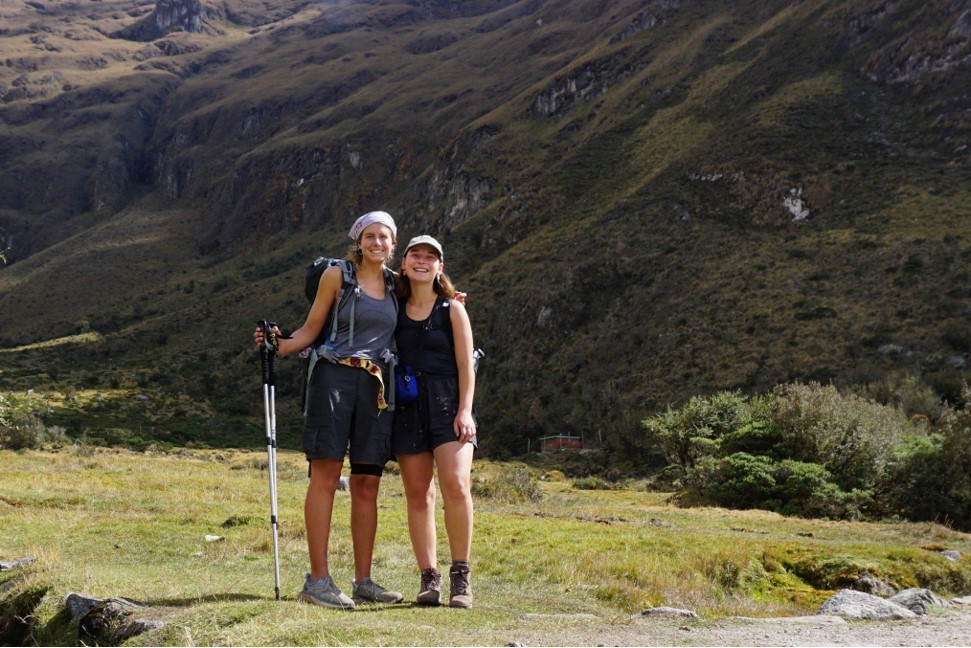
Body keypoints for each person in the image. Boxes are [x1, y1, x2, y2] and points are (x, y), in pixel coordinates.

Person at [254, 210, 404, 610]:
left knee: (368, 482)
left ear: (393, 244)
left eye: (384, 237)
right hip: (333, 381)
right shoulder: (337, 275)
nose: (377, 243)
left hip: (377, 388)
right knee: (326, 475)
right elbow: (311, 329)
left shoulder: (396, 285)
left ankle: (364, 581)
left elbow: (427, 301)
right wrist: (278, 344)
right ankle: (317, 581)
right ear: (358, 240)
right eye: (370, 236)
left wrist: (451, 299)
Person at [392, 235, 477, 608]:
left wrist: (465, 410)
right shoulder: (393, 307)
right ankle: (429, 579)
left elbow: (465, 365)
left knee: (456, 485)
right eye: (416, 255)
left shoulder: (452, 310)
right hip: (408, 406)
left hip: (448, 404)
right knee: (418, 494)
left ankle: (461, 579)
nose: (423, 261)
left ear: (439, 266)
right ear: (405, 263)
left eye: (431, 257)